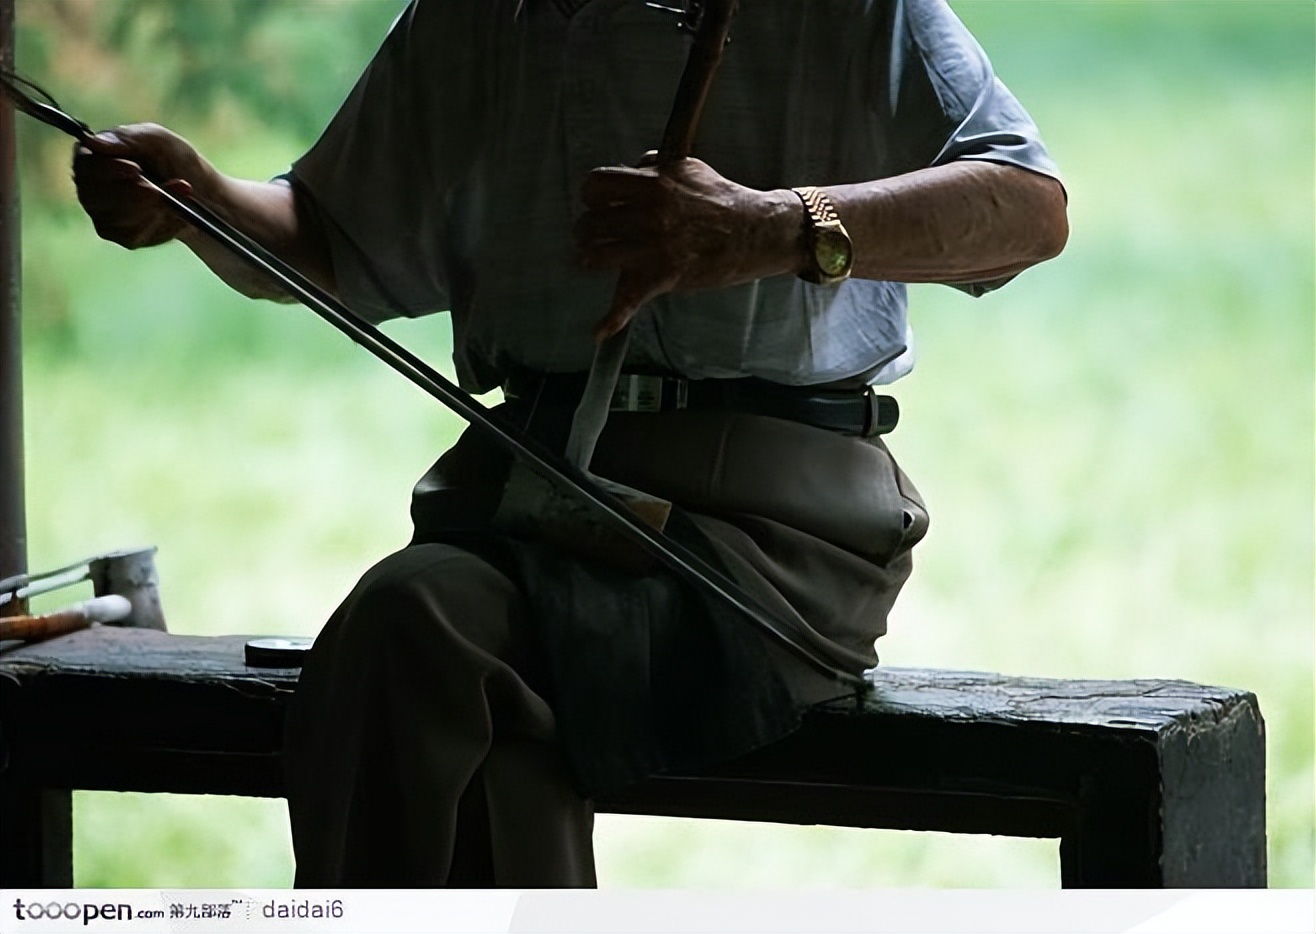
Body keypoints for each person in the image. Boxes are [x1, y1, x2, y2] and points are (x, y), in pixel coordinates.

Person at [72, 0, 1067, 887]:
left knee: (418, 623)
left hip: (772, 534)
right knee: (462, 688)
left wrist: (770, 229)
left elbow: (1027, 208)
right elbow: (337, 238)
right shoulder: (476, 20)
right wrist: (196, 200)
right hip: (537, 505)